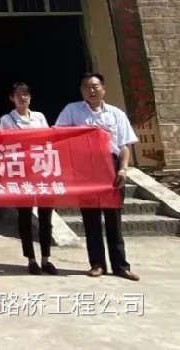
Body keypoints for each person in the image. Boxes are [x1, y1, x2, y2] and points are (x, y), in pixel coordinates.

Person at [55, 72, 140, 281]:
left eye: (95, 86)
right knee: (91, 219)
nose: (91, 90)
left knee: (114, 220)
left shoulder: (116, 114)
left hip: (111, 167)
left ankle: (120, 266)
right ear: (81, 90)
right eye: (86, 87)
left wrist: (123, 169)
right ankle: (97, 264)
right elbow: (59, 136)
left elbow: (124, 145)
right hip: (86, 169)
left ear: (103, 89)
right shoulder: (72, 111)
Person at [0, 82, 58, 275]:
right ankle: (31, 259)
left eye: (26, 94)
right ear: (11, 98)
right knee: (24, 216)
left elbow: (47, 139)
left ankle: (46, 259)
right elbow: (7, 142)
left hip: (42, 171)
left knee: (46, 217)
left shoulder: (39, 117)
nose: (22, 97)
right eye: (18, 94)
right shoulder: (6, 119)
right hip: (21, 174)